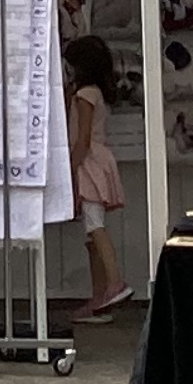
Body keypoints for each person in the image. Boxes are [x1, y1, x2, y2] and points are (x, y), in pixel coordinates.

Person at [64, 37, 131, 318]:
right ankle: (100, 298)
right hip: (98, 158)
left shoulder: (84, 96)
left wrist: (69, 169)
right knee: (90, 233)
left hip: (89, 161)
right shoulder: (97, 92)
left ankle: (114, 283)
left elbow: (82, 139)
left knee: (95, 226)